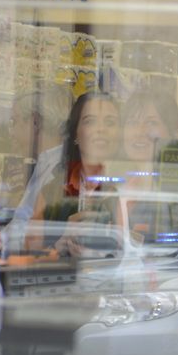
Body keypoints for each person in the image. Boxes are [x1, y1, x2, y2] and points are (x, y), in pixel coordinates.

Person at [27, 91, 123, 256]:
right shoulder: (53, 191)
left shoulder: (132, 186)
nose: (101, 129)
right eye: (90, 121)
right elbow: (28, 254)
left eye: (110, 122)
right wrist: (59, 247)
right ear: (76, 133)